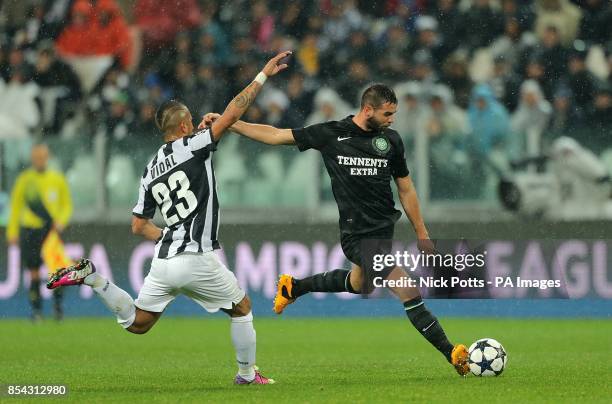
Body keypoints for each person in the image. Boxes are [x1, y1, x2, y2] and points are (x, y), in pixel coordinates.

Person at [46, 51, 292, 384]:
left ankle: (94, 279)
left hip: (164, 260)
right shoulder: (195, 145)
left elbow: (138, 225)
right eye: (190, 120)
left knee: (138, 322)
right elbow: (235, 111)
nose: (194, 123)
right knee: (242, 307)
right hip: (194, 256)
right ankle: (247, 375)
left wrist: (166, 235)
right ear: (183, 126)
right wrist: (262, 74)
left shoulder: (150, 169)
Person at [200, 83, 470, 376]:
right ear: (368, 109)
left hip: (383, 232)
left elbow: (406, 188)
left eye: (394, 114)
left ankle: (294, 287)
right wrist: (231, 124)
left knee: (359, 284)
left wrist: (421, 232)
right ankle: (451, 352)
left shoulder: (391, 141)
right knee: (408, 290)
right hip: (356, 235)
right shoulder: (331, 133)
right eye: (387, 113)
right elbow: (277, 135)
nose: (392, 119)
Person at [7, 144, 72, 321]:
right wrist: (12, 232)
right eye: (36, 158)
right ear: (32, 159)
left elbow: (67, 205)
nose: (39, 161)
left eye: (42, 157)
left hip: (50, 232)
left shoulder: (57, 179)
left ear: (47, 157)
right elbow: (15, 207)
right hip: (30, 231)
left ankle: (58, 310)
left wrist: (61, 222)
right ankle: (37, 312)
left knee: (57, 271)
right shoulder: (25, 180)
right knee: (34, 271)